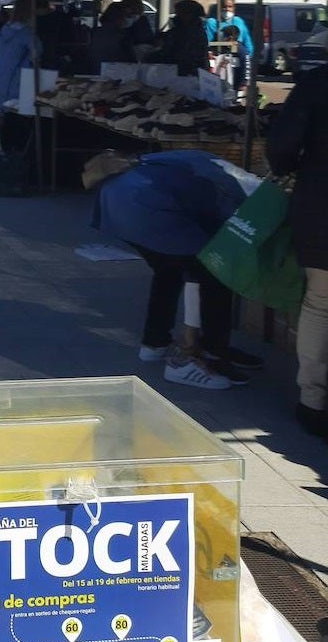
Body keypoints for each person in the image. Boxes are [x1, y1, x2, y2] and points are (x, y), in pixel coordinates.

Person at [90, 150, 263, 389]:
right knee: (215, 279)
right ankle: (203, 356)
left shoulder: (211, 166)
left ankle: (154, 344)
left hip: (120, 203)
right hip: (151, 209)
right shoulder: (230, 189)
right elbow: (216, 232)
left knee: (167, 272)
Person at [267, 62, 328, 437]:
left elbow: (284, 143)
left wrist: (288, 168)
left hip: (321, 201)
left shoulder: (318, 81)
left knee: (321, 304)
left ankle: (314, 401)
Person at [0, 0, 42, 111]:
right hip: (20, 84)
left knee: (3, 117)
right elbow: (37, 54)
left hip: (1, 81)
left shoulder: (4, 31)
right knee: (17, 120)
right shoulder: (27, 34)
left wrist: (2, 56)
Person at [150, 0, 209, 76]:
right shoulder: (182, 29)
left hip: (187, 72)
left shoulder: (191, 32)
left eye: (179, 14)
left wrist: (154, 57)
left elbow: (180, 53)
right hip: (182, 69)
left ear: (189, 14)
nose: (176, 17)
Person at [87, 1, 132, 74]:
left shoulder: (94, 32)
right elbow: (130, 62)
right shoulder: (122, 36)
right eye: (128, 16)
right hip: (115, 74)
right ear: (120, 17)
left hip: (93, 72)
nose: (129, 19)